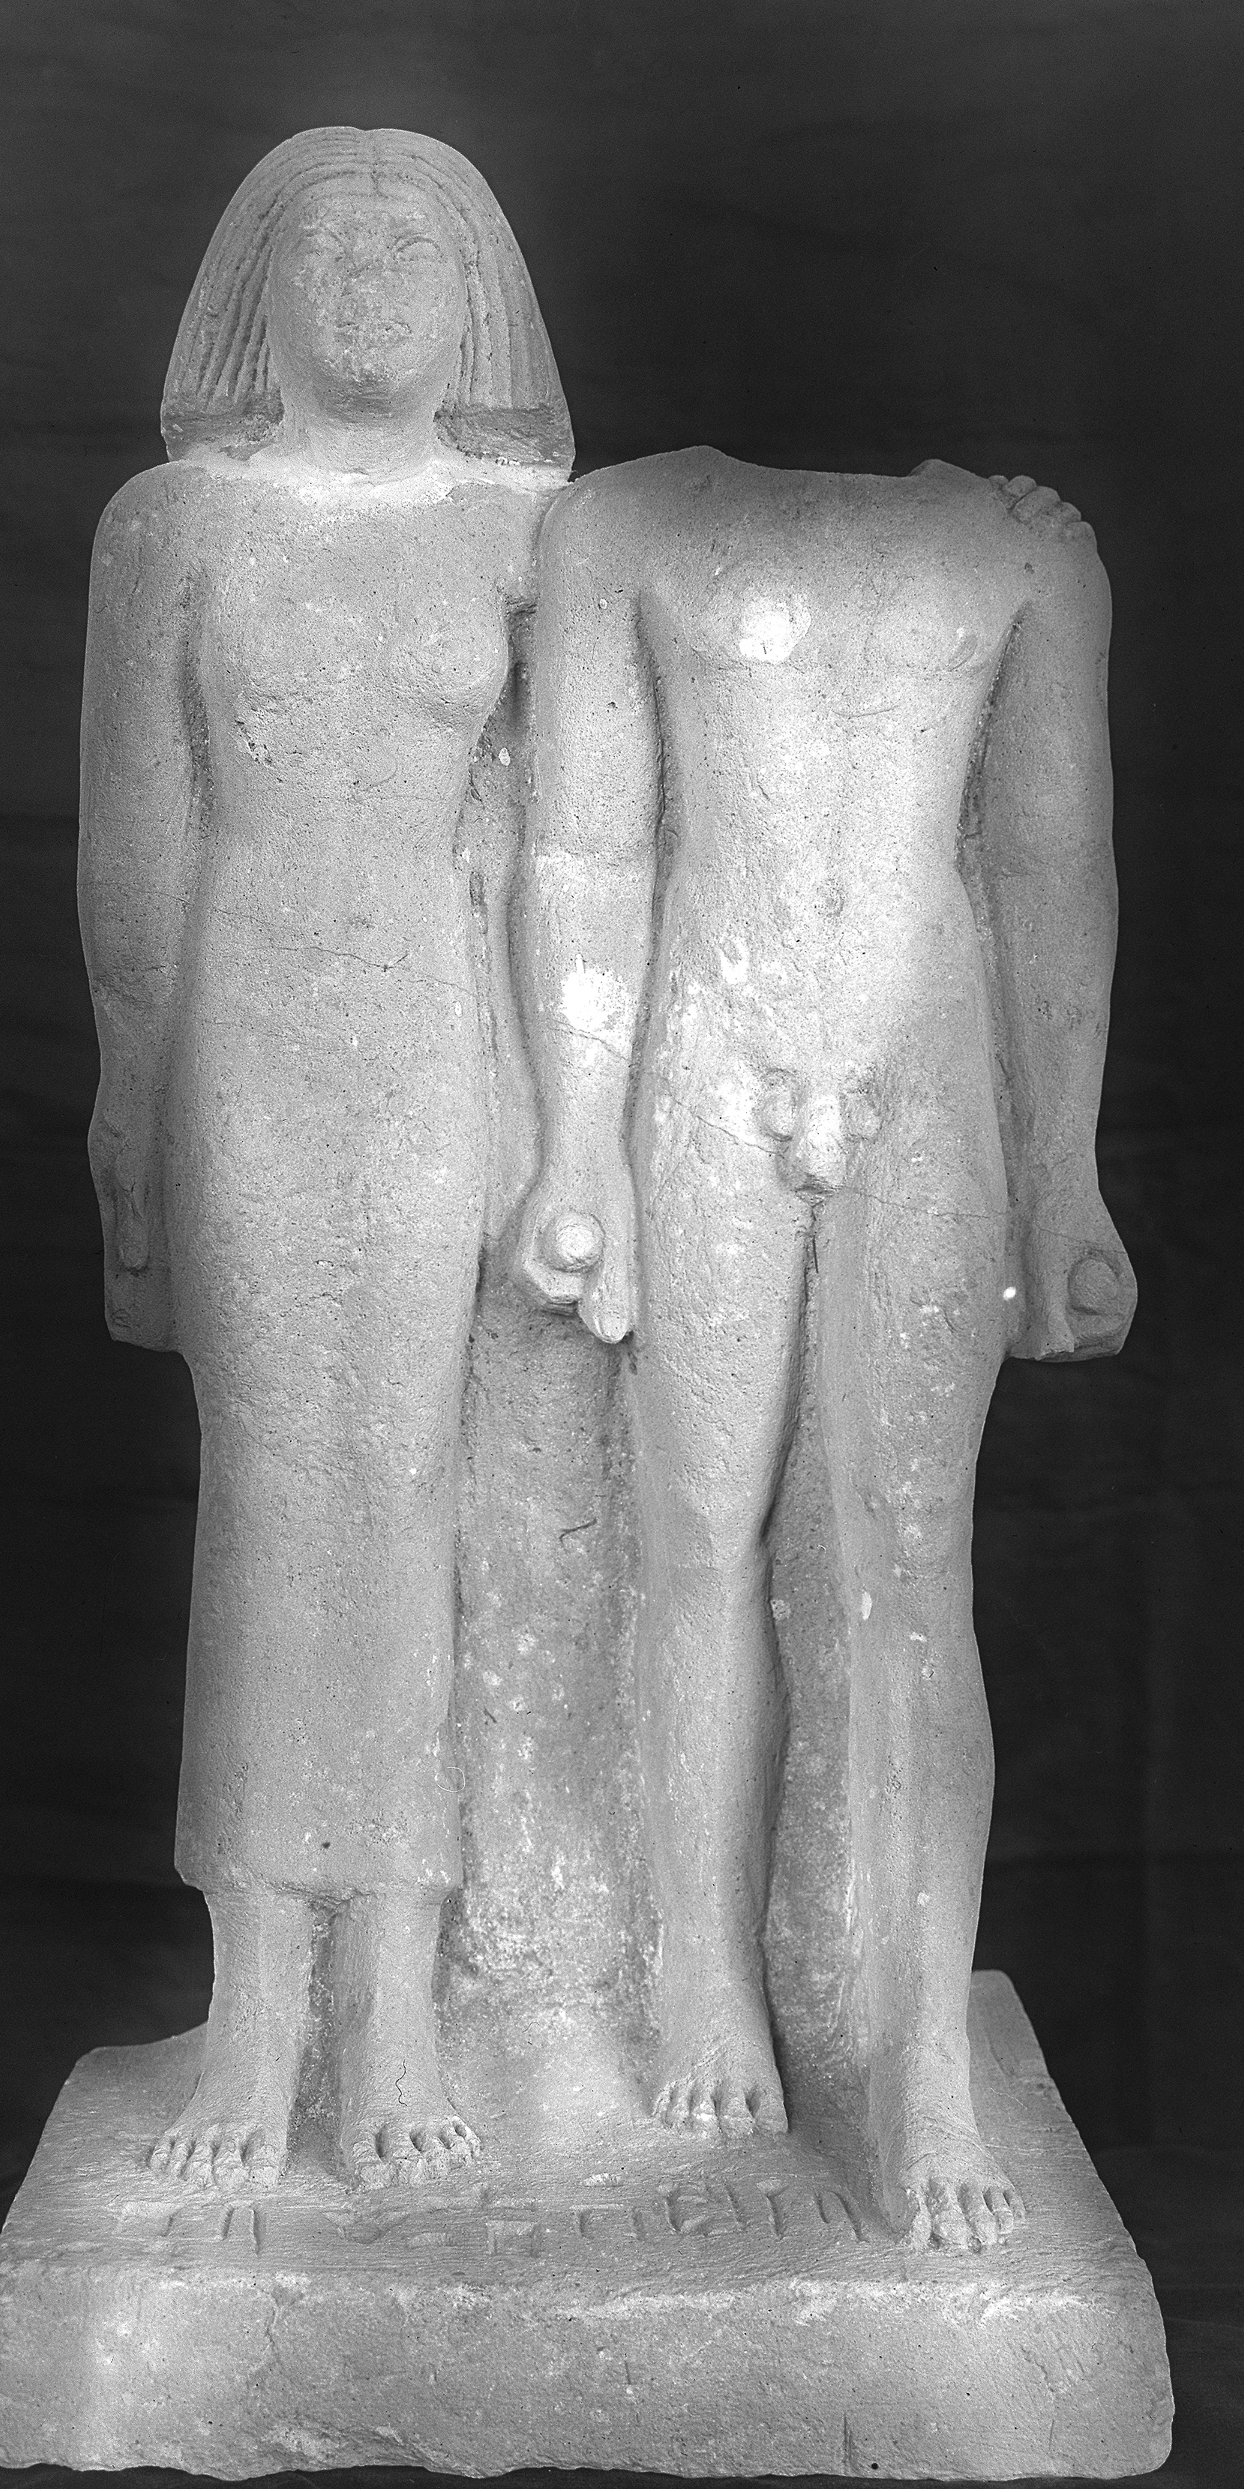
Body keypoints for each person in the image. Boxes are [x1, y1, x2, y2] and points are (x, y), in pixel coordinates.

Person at [513, 450, 1134, 2251]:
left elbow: (1049, 865)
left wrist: (1063, 1171)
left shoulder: (1020, 560)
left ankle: (923, 2055)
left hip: (922, 1063)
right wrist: (576, 1141)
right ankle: (704, 1970)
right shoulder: (622, 530)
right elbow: (585, 843)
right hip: (706, 1054)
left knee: (910, 1566)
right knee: (697, 1531)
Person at [78, 128, 571, 2190]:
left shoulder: (530, 530)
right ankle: (257, 1994)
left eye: (411, 247)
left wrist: (559, 1115)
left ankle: (396, 1994)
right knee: (274, 1496)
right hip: (249, 1043)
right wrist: (127, 1090)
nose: (370, 281)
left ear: (474, 299)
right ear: (252, 292)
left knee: (417, 1491)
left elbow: (554, 848)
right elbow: (136, 836)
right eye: (330, 246)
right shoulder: (174, 526)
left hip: (443, 1050)